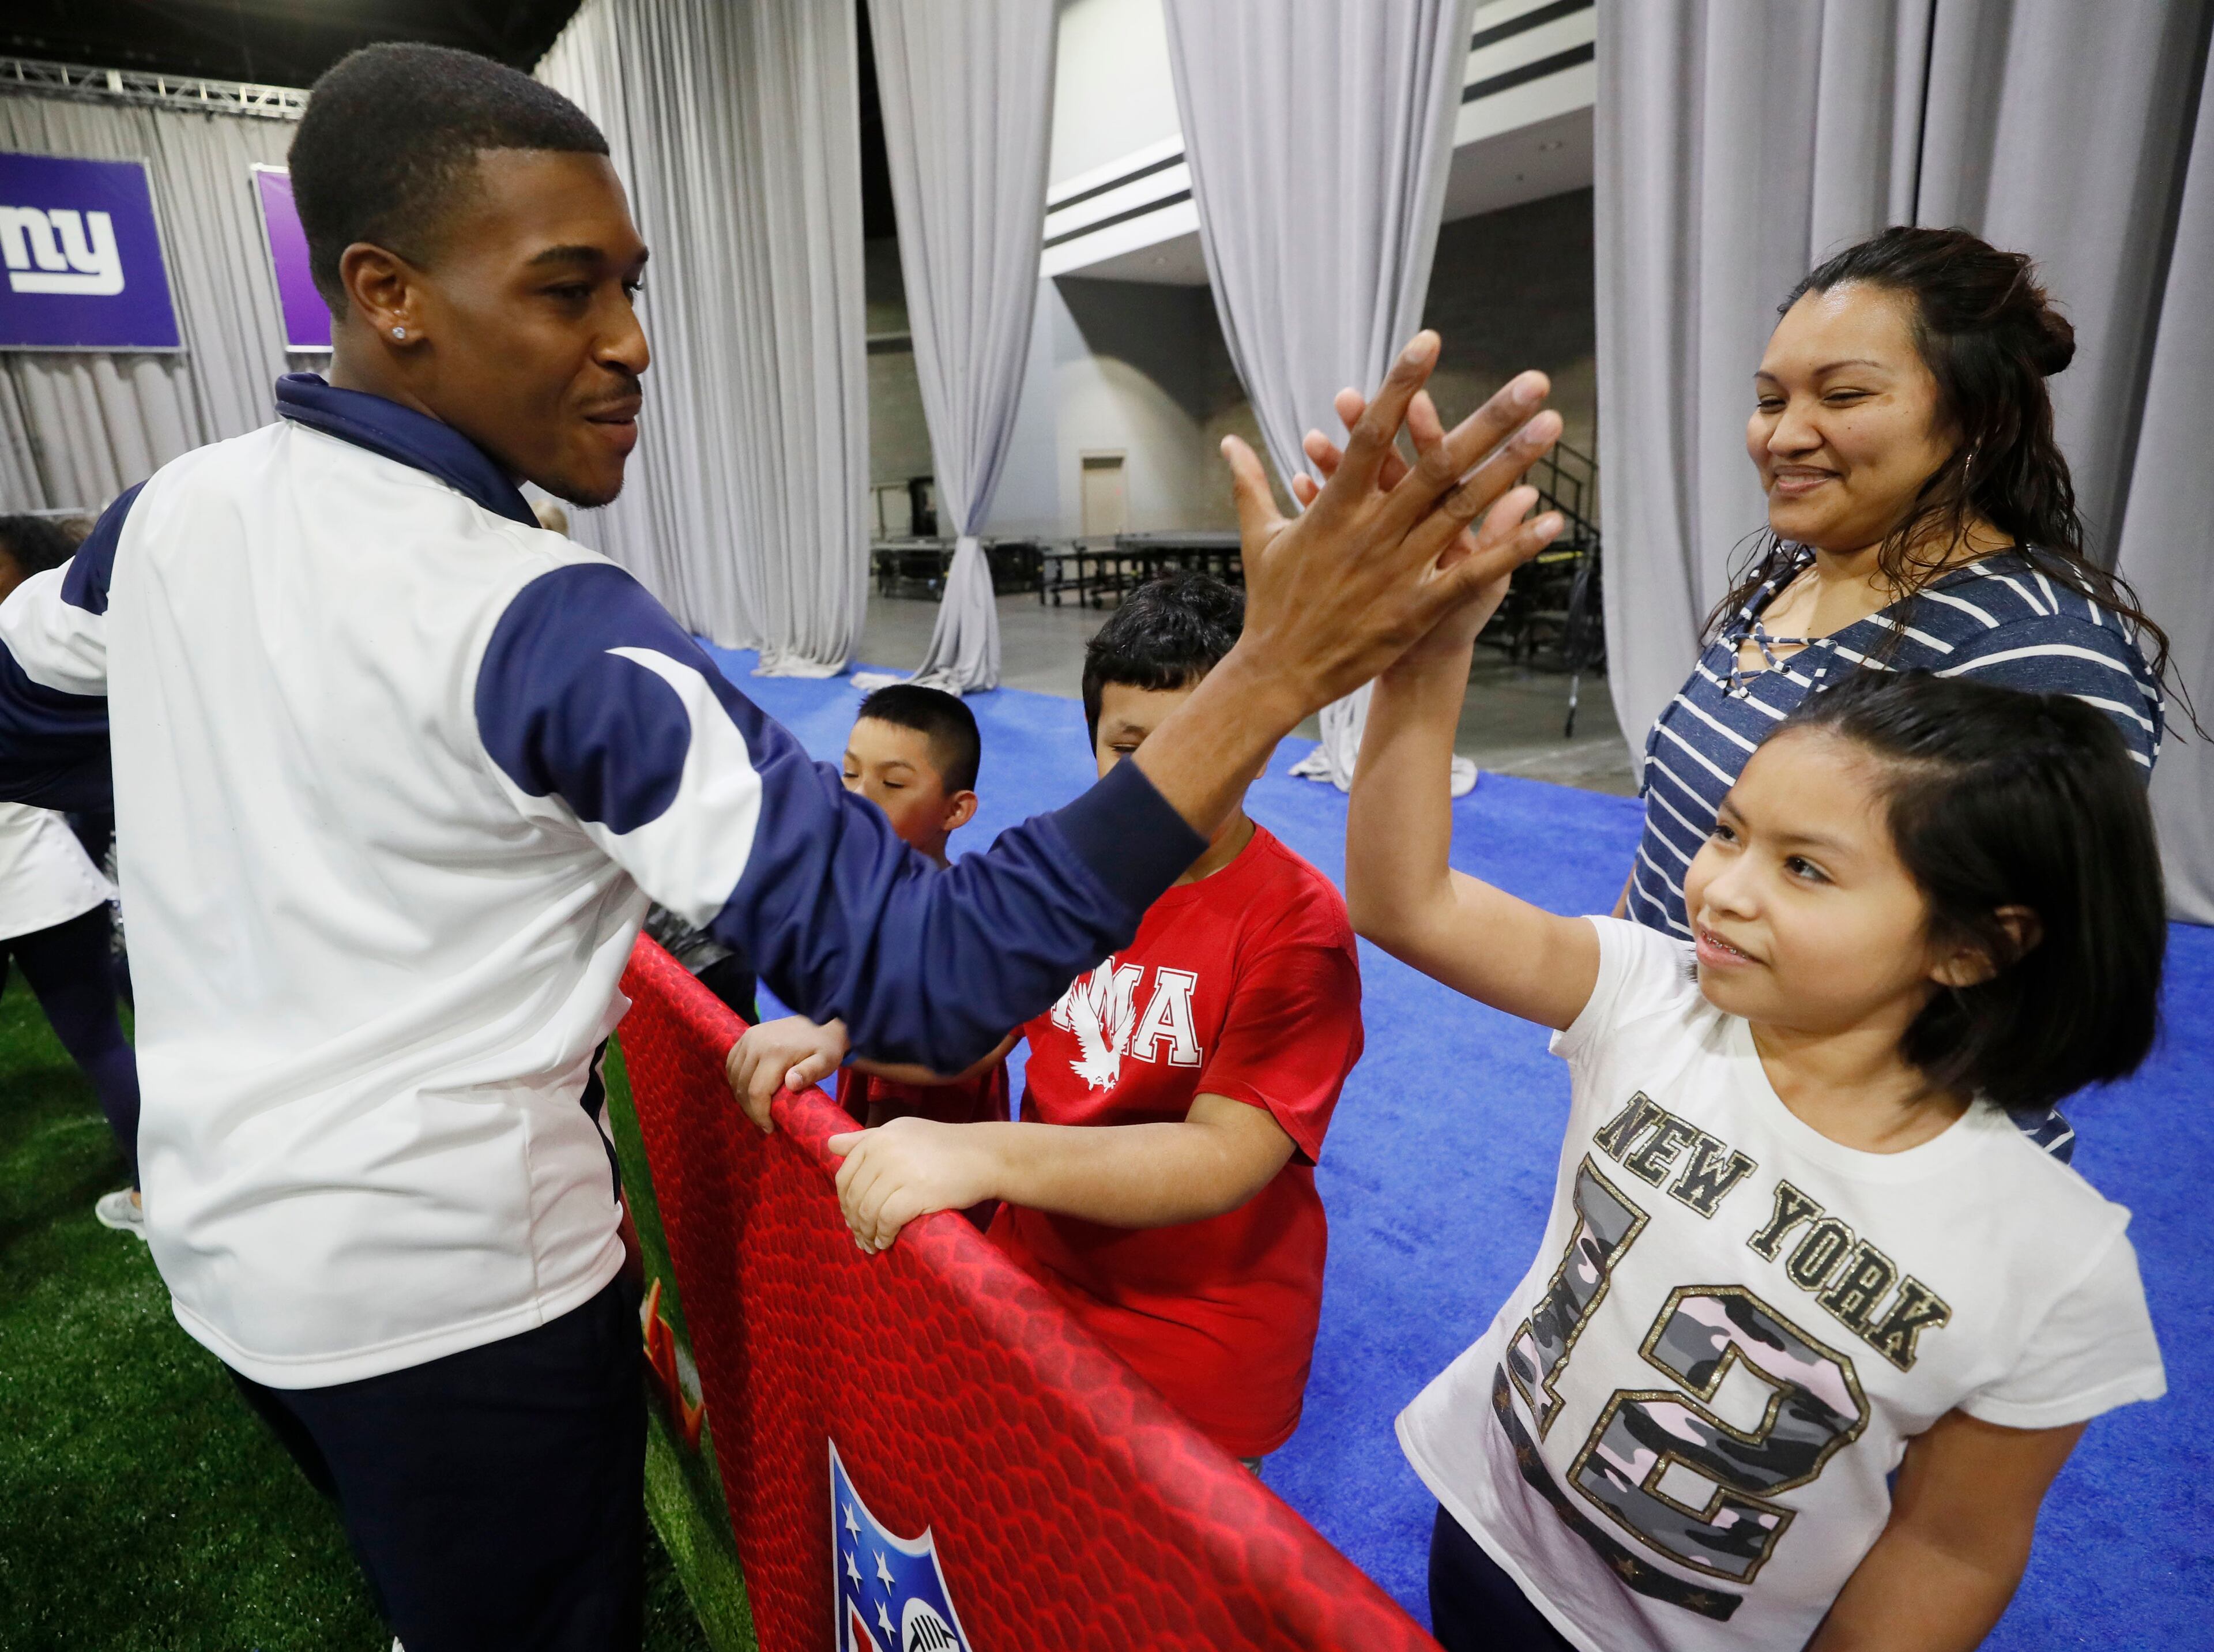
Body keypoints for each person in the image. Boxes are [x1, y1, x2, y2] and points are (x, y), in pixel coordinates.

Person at [0, 42, 1565, 1650]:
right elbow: (929, 978)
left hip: (224, 1256)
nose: (632, 344)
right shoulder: (533, 620)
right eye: (567, 291)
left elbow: (22, 723)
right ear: (388, 292)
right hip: (457, 1296)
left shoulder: (165, 516)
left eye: (633, 283)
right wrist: (1277, 670)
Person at [1347, 603, 2167, 1651]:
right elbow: (1406, 903)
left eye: (1805, 868)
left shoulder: (2054, 1263)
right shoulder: (1653, 995)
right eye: (1727, 832)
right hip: (1489, 1527)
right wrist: (1429, 653)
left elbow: (1950, 1548)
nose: (1720, 892)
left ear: (1974, 946)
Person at [1301, 225, 2171, 1165]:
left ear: (1980, 418)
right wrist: (1432, 652)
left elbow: (2018, 1003)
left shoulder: (2037, 657)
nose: (1784, 434)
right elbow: (1667, 842)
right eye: (1769, 399)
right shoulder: (1795, 571)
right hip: (1680, 1091)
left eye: (1843, 395)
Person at [793, 575, 1365, 1469]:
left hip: (1198, 1318)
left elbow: (1224, 1157)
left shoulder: (1299, 923)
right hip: (1038, 1273)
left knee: (1167, 1590)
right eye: (1128, 747)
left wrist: (983, 1155)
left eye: (1206, 743)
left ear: (1262, 747)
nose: (1165, 778)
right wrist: (839, 1034)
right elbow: (972, 1023)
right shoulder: (1070, 868)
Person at [731, 683, 1010, 1226]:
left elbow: (949, 1064)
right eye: (851, 773)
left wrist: (837, 1041)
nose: (857, 798)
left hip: (923, 1191)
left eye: (893, 783)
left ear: (956, 810)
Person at [0, 514, 144, 1236]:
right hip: (55, 884)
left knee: (106, 1038)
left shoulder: (36, 651)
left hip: (58, 877)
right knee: (103, 1042)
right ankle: (160, 1191)